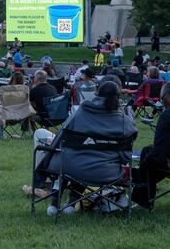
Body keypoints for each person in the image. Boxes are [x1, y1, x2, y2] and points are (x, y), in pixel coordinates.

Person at [35, 81, 136, 215]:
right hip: (107, 172)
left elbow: (60, 138)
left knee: (72, 159)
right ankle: (70, 205)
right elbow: (125, 156)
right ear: (118, 97)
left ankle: (54, 204)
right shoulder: (125, 122)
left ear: (96, 93)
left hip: (71, 166)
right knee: (85, 159)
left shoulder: (81, 112)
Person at [133, 83, 170, 208]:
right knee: (148, 152)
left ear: (167, 97)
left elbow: (160, 150)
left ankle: (143, 200)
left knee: (148, 157)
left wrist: (143, 165)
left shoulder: (166, 116)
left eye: (161, 98)